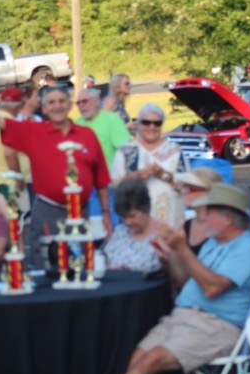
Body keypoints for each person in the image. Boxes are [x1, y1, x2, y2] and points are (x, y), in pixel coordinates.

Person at [105, 183, 250, 374]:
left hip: (218, 326)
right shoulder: (214, 242)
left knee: (151, 360)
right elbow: (186, 282)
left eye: (209, 212)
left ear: (228, 219)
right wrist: (169, 258)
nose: (203, 217)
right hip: (184, 317)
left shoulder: (247, 248)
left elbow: (212, 288)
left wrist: (183, 249)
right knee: (135, 359)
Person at [0, 81, 112, 270]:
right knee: (47, 270)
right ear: (44, 108)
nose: (57, 106)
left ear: (70, 105)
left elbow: (101, 179)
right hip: (48, 213)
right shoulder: (33, 131)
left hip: (81, 213)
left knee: (83, 269)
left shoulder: (87, 134)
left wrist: (106, 213)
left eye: (62, 101)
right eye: (52, 102)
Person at [112, 103, 188, 227]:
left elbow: (185, 186)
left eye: (157, 123)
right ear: (138, 124)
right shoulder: (125, 151)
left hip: (169, 224)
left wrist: (163, 175)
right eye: (146, 122)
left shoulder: (174, 151)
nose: (152, 127)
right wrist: (136, 176)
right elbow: (115, 186)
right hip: (134, 226)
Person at [75, 88, 131, 224]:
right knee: (89, 229)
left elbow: (127, 152)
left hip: (109, 186)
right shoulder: (76, 124)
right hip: (83, 188)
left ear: (96, 102)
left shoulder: (112, 120)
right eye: (78, 103)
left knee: (109, 227)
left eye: (85, 101)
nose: (81, 105)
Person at [104, 179, 162, 272]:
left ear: (146, 209)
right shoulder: (120, 233)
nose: (127, 222)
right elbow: (108, 262)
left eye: (132, 216)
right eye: (124, 217)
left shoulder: (161, 234)